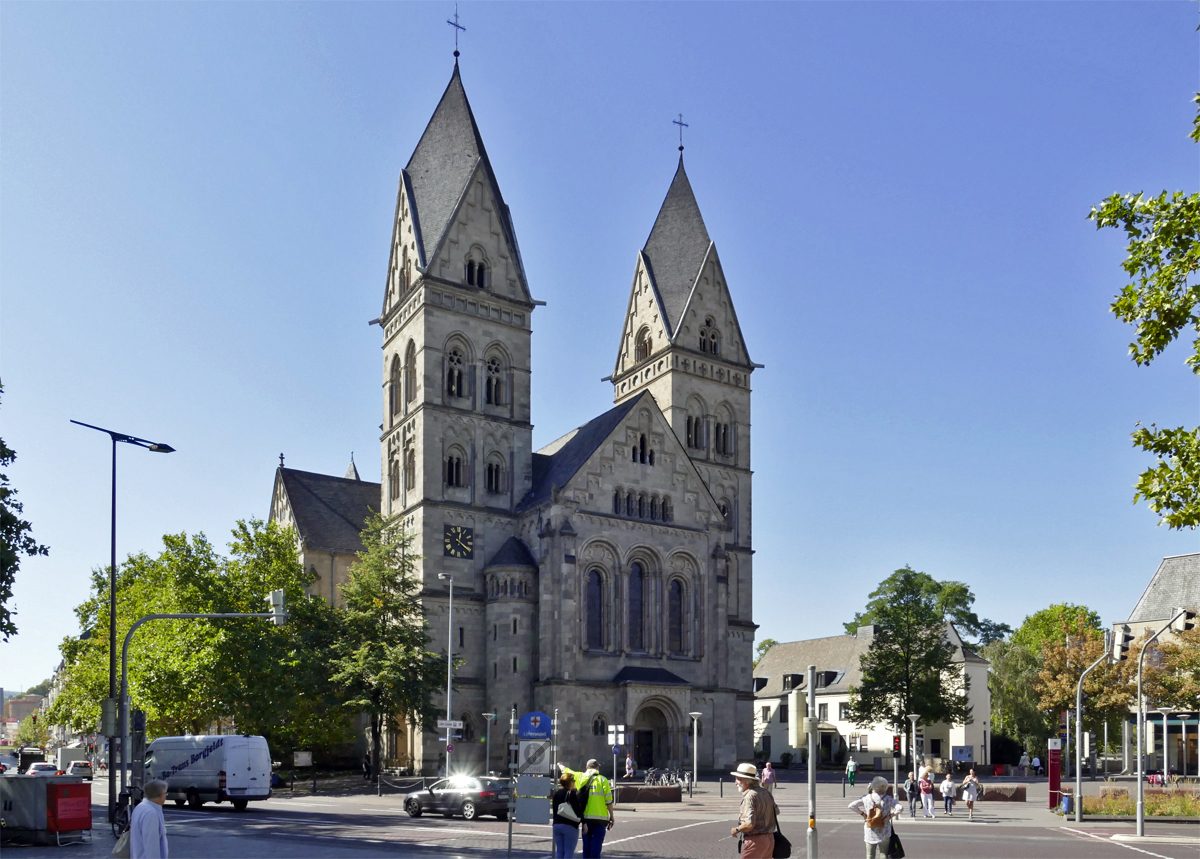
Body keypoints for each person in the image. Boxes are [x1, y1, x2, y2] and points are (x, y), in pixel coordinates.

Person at [561, 759, 614, 858]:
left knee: (586, 849)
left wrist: (559, 764)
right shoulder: (603, 780)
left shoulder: (580, 777)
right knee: (596, 849)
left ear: (587, 768)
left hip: (586, 820)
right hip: (601, 820)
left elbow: (566, 771)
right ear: (597, 767)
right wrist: (612, 816)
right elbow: (609, 801)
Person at [729, 762, 776, 858]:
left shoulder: (749, 797)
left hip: (755, 841)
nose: (735, 783)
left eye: (738, 779)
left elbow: (749, 824)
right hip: (769, 840)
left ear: (746, 781)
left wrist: (736, 829)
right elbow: (776, 811)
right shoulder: (765, 792)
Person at [848, 776, 901, 859]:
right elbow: (900, 808)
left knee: (870, 855)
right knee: (883, 853)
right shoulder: (888, 799)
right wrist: (890, 816)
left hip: (870, 829)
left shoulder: (866, 798)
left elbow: (851, 806)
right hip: (884, 829)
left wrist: (863, 814)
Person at [130, 779, 169, 859]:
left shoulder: (140, 807)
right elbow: (151, 845)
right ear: (161, 795)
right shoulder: (151, 813)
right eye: (166, 793)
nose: (166, 795)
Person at [552, 771, 585, 857]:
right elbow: (578, 810)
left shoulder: (556, 793)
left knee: (559, 851)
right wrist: (582, 822)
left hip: (557, 825)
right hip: (570, 825)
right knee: (569, 851)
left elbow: (555, 809)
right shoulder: (572, 794)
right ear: (570, 782)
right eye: (573, 781)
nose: (574, 783)